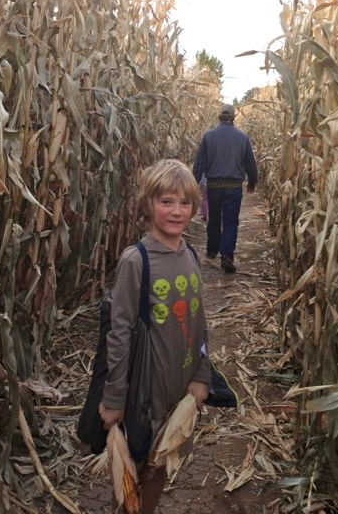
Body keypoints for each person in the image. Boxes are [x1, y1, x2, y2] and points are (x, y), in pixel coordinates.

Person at [99, 159, 210, 514]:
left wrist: (201, 376)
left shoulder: (190, 256)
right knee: (133, 467)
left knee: (160, 461)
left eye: (185, 203)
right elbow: (119, 334)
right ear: (148, 205)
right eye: (166, 201)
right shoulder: (137, 261)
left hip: (180, 389)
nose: (176, 211)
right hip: (145, 390)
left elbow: (199, 321)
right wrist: (115, 397)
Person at [193, 103, 257, 273]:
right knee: (230, 221)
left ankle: (212, 250)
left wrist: (194, 183)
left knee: (214, 218)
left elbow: (200, 163)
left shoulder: (209, 136)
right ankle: (227, 255)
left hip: (213, 185)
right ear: (233, 117)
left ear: (219, 118)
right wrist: (252, 182)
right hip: (234, 187)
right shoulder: (242, 138)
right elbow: (250, 163)